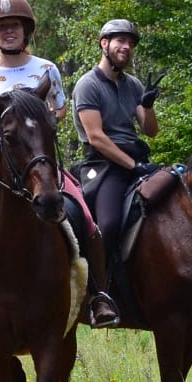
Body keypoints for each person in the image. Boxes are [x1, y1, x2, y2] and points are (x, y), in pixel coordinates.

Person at [0, 0, 118, 327]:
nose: (8, 32)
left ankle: (98, 295)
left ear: (25, 30)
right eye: (1, 28)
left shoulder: (46, 69)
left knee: (85, 217)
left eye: (13, 25)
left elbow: (58, 108)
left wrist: (46, 123)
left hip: (39, 156)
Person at [71, 18, 162, 314]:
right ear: (104, 44)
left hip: (135, 161)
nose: (126, 47)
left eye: (130, 43)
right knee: (107, 226)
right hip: (105, 166)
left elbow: (150, 131)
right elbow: (96, 137)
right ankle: (99, 294)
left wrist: (147, 106)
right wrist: (133, 166)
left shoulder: (132, 85)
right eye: (120, 41)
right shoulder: (88, 85)